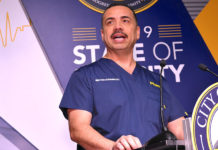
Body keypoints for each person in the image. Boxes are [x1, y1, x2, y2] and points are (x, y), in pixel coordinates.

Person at [60, 3, 186, 150]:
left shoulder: (157, 81)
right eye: (110, 22)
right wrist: (114, 147)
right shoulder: (84, 77)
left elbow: (181, 133)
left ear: (137, 32)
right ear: (102, 34)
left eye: (125, 20)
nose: (117, 26)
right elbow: (78, 130)